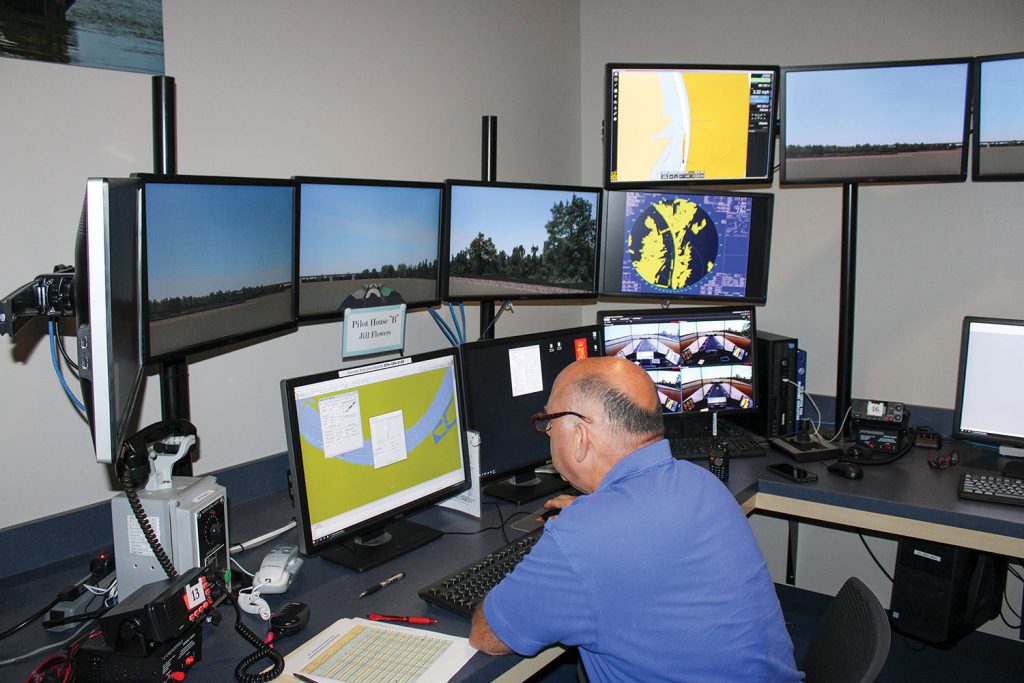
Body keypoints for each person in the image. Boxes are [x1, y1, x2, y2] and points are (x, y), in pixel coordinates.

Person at [469, 357, 803, 682]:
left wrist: (577, 535)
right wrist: (596, 515)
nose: (547, 432)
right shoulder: (700, 482)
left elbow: (488, 636)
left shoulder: (585, 538)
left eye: (549, 422)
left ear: (581, 437)